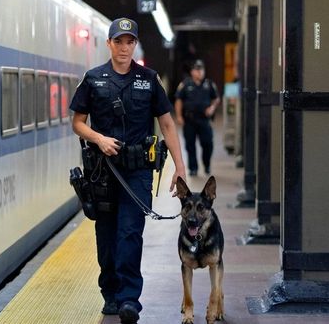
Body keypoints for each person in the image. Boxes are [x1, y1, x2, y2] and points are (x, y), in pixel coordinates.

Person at [69, 17, 186, 323]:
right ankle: (110, 293)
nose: (124, 48)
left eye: (129, 42)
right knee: (106, 235)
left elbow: (168, 125)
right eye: (118, 42)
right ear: (109, 43)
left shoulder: (148, 79)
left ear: (135, 45)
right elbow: (77, 123)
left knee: (130, 233)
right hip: (102, 172)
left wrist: (180, 167)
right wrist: (99, 139)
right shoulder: (93, 79)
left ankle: (129, 298)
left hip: (138, 171)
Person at [175, 59, 220, 176]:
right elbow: (179, 100)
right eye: (197, 70)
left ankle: (207, 164)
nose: (199, 72)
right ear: (192, 72)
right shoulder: (185, 84)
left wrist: (212, 108)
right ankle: (193, 168)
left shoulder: (209, 84)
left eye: (201, 70)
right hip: (189, 119)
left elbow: (216, 99)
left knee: (207, 143)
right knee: (190, 145)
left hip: (204, 119)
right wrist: (179, 116)